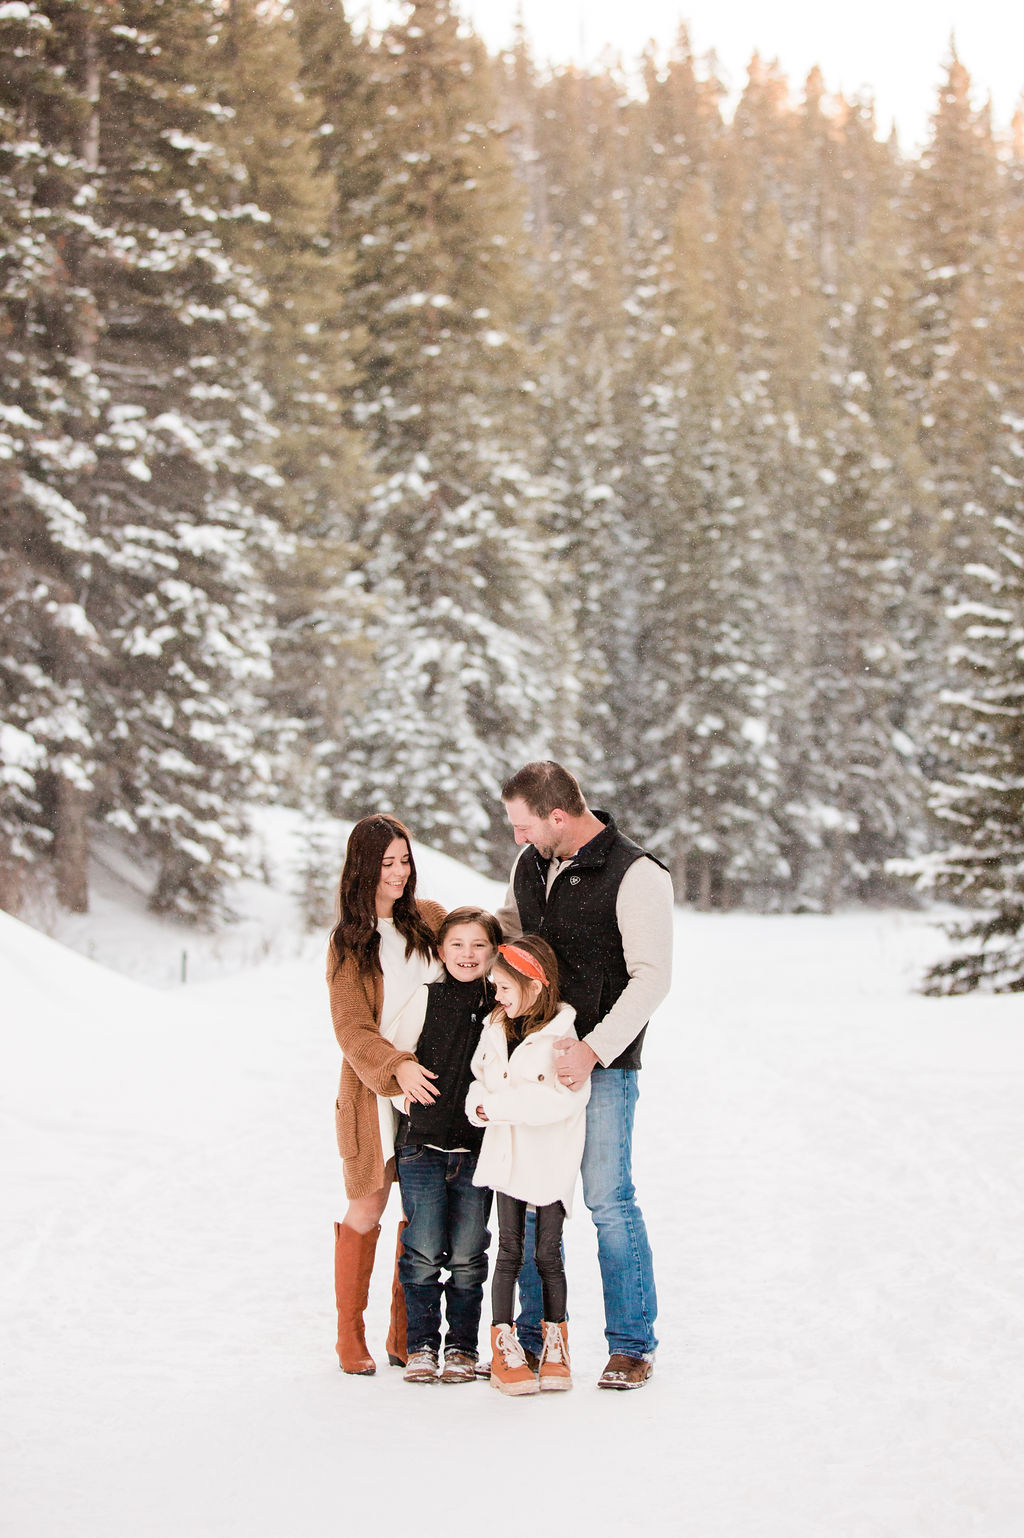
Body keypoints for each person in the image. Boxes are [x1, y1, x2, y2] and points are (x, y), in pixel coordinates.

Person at [497, 761, 673, 1390]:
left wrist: (593, 1050)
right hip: (533, 1065)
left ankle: (632, 1344)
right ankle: (538, 1337)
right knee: (535, 1194)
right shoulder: (532, 865)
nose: (517, 839)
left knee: (606, 1200)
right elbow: (509, 932)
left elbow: (653, 977)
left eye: (523, 826)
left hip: (601, 1065)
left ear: (558, 817)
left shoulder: (637, 874)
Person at [327, 813, 445, 1376]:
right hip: (376, 1092)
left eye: (404, 860)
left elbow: (479, 950)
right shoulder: (349, 942)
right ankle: (350, 1335)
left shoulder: (429, 920)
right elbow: (351, 1030)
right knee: (368, 1205)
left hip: (431, 1092)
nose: (398, 873)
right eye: (386, 863)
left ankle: (406, 1331)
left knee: (420, 1210)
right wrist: (397, 1068)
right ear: (362, 868)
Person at [466, 935, 589, 1396]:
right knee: (509, 1252)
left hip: (549, 1158)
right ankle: (503, 1342)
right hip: (506, 1156)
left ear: (534, 986)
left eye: (503, 987)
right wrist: (479, 1107)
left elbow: (558, 1102)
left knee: (547, 1255)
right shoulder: (495, 1027)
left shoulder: (563, 1037)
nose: (496, 996)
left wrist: (498, 1107)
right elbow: (479, 1083)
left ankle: (556, 1341)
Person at [384, 906, 500, 1386]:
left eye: (478, 946)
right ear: (440, 950)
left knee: (469, 1254)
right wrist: (408, 1104)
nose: (467, 954)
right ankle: (422, 1346)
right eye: (457, 944)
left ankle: (462, 1348)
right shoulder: (426, 998)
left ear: (495, 953)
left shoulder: (501, 1004)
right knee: (424, 1251)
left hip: (478, 1150)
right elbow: (390, 1059)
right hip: (423, 1148)